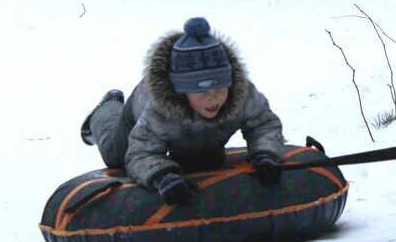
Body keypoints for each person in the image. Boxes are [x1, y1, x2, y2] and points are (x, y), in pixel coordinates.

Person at [80, 17, 286, 204]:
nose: (213, 98)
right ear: (182, 91)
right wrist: (161, 176)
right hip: (138, 115)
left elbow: (263, 124)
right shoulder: (160, 109)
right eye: (202, 92)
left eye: (220, 88)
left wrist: (265, 153)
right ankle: (106, 109)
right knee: (116, 157)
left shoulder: (242, 95)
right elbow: (141, 152)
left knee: (205, 161)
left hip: (192, 130)